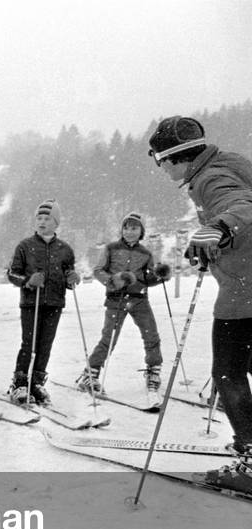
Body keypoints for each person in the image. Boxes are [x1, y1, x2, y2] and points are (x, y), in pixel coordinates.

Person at [149, 115, 252, 493]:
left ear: (176, 159)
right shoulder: (231, 162)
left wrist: (215, 230)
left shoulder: (210, 178)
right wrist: (218, 246)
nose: (163, 170)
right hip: (245, 281)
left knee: (228, 372)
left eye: (161, 163)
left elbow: (241, 208)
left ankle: (251, 461)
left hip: (244, 294)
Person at [75, 212, 171, 397]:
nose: (129, 232)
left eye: (134, 228)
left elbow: (147, 278)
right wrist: (113, 280)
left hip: (139, 298)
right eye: (126, 227)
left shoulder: (145, 253)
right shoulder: (111, 248)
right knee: (109, 338)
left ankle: (153, 371)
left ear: (141, 231)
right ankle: (90, 374)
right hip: (116, 299)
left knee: (151, 335)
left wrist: (160, 275)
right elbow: (98, 271)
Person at [6, 199, 81, 405]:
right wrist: (28, 281)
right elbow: (12, 273)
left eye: (47, 218)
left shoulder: (65, 249)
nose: (42, 222)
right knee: (29, 343)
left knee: (45, 344)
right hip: (31, 302)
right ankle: (20, 383)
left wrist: (72, 279)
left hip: (55, 302)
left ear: (56, 222)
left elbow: (68, 274)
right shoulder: (25, 246)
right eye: (39, 218)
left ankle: (36, 382)